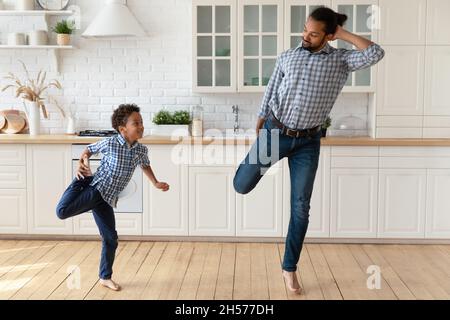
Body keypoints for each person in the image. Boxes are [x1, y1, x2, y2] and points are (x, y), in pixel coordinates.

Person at [233, 6, 385, 294]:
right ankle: (250, 163)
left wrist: (342, 33)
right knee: (241, 185)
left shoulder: (342, 61)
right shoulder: (288, 56)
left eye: (314, 33)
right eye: (305, 29)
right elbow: (271, 88)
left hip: (308, 142)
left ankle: (289, 269)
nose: (305, 35)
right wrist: (260, 119)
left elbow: (375, 53)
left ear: (328, 36)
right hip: (275, 132)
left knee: (301, 208)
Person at [56, 103, 169, 291]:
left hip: (107, 199)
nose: (141, 126)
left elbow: (145, 165)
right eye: (136, 123)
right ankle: (81, 181)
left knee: (110, 238)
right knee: (62, 212)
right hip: (96, 189)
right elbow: (89, 149)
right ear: (123, 129)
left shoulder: (141, 150)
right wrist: (82, 164)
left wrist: (156, 183)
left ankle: (105, 277)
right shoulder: (111, 143)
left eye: (141, 122)